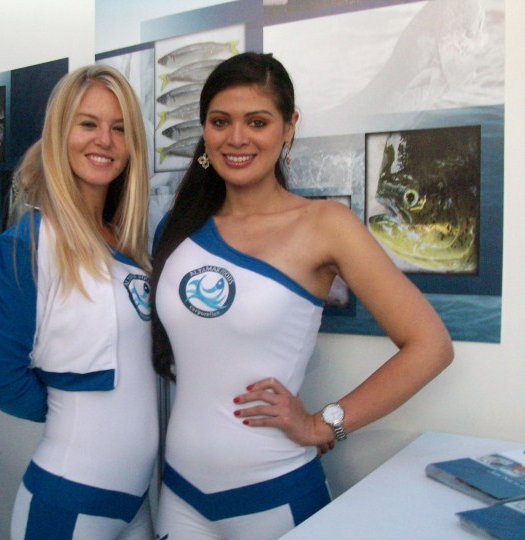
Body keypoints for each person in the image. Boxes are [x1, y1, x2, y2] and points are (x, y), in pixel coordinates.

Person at [150, 52, 454, 539]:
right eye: (220, 121)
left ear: (289, 127)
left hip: (275, 498)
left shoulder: (324, 224)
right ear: (204, 130)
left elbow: (431, 345)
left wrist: (323, 424)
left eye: (257, 122)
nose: (237, 138)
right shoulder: (179, 226)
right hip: (180, 498)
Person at [0, 64, 158, 540]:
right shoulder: (27, 246)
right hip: (69, 499)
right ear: (60, 134)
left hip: (136, 498)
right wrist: (69, 411)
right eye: (88, 124)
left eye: (120, 128)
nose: (105, 140)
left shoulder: (124, 242)